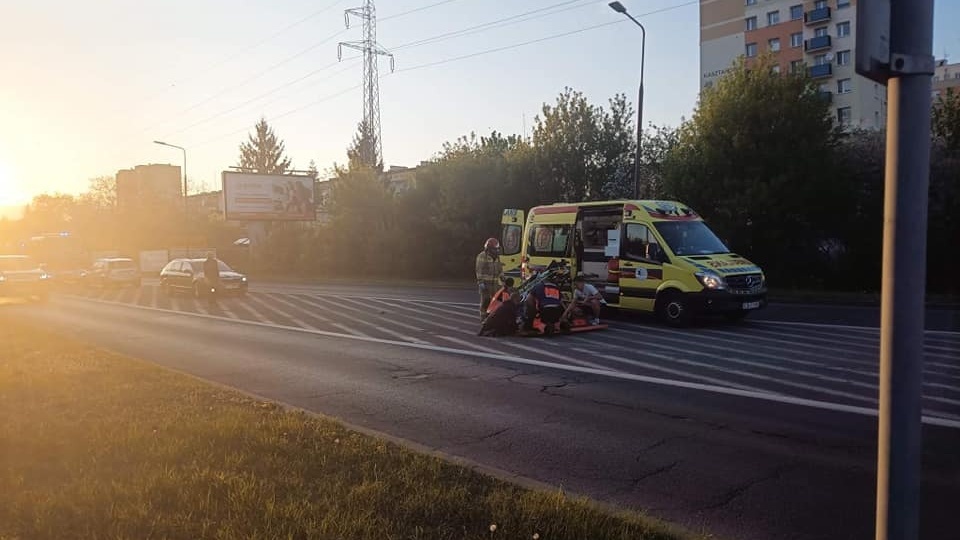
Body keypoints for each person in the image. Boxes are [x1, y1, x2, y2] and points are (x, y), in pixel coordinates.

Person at [475, 238, 503, 321]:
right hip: (485, 284)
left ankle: (491, 317)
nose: (496, 251)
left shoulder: (497, 257)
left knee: (494, 301)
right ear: (489, 249)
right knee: (485, 301)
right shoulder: (482, 256)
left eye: (497, 249)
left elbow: (499, 269)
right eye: (494, 249)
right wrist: (480, 282)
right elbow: (479, 270)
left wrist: (503, 278)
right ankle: (483, 318)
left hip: (494, 284)